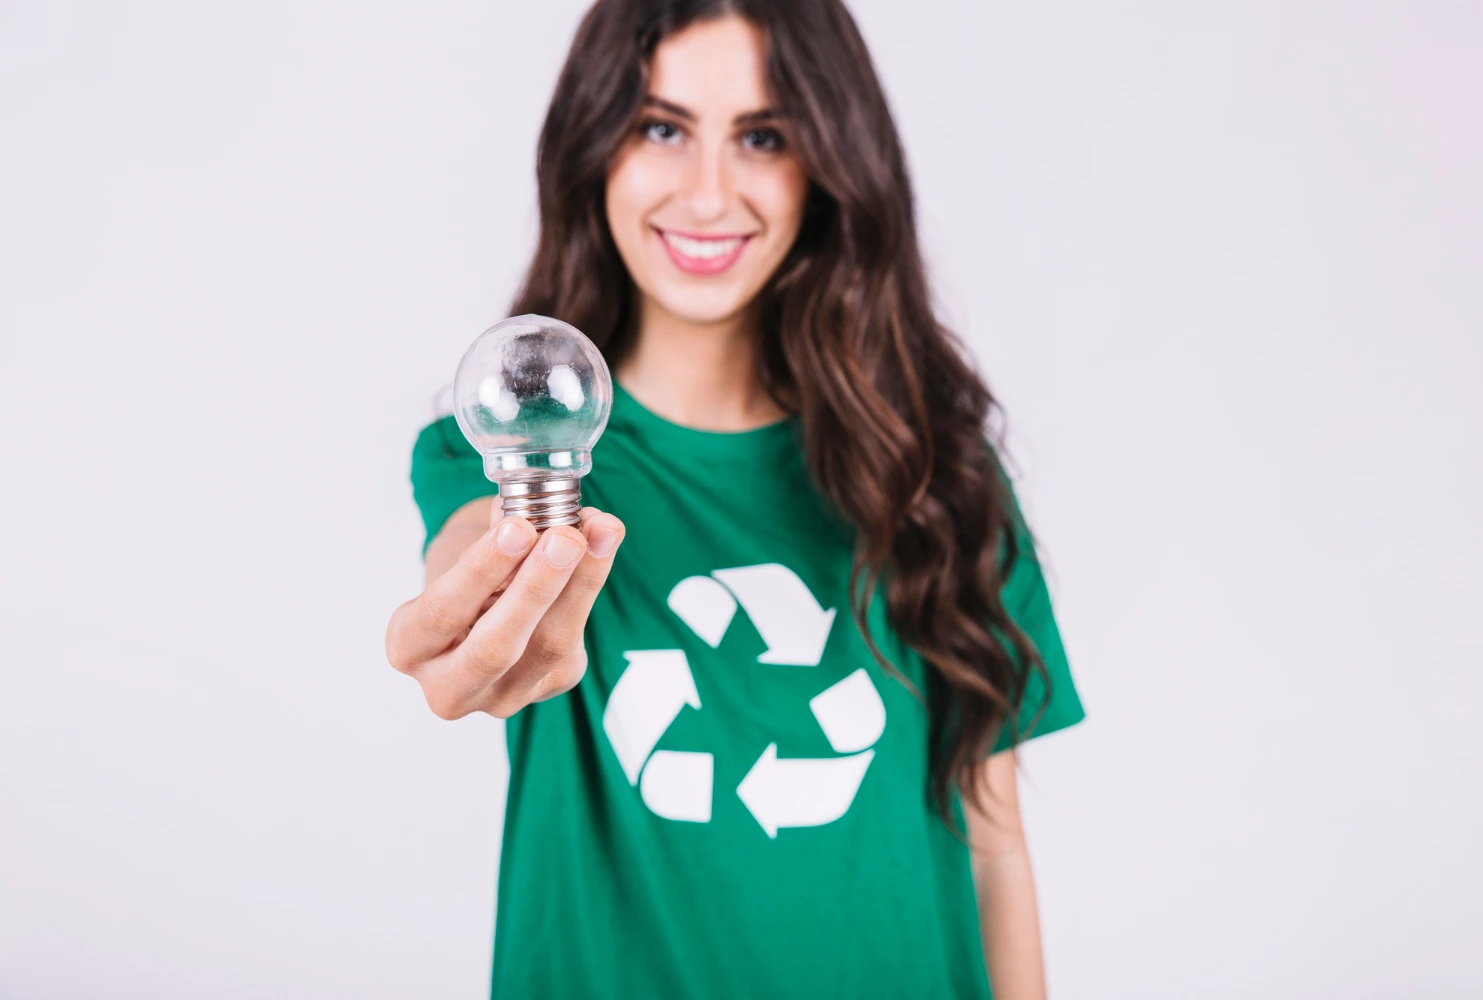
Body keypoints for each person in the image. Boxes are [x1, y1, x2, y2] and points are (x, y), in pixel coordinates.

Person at [385, 1, 1085, 997]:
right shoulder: (503, 455)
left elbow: (994, 850)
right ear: (596, 148)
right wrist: (483, 632)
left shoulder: (938, 470)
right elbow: (478, 576)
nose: (708, 194)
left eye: (763, 136)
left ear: (829, 162)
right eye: (661, 127)